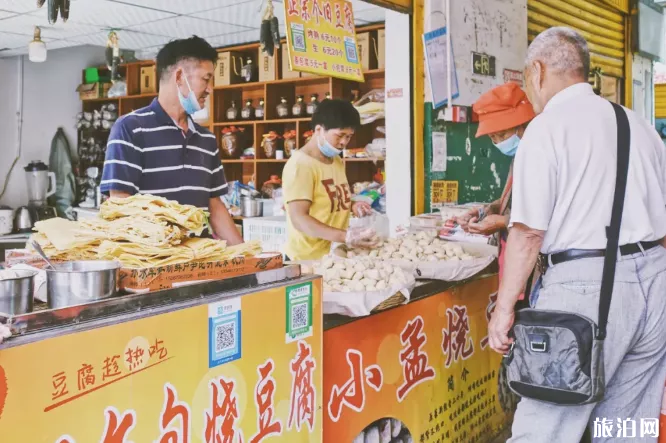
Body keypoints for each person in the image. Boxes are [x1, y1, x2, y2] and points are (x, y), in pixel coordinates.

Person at [487, 27, 666, 443]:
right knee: (626, 428)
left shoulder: (546, 129)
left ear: (538, 70)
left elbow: (528, 232)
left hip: (582, 289)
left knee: (544, 428)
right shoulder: (638, 125)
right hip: (655, 284)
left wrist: (504, 311)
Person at [101, 36, 242, 245]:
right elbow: (121, 201)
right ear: (179, 77)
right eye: (206, 78)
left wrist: (246, 255)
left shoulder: (207, 139)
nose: (210, 88)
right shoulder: (130, 128)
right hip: (152, 259)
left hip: (198, 259)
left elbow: (214, 204)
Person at [455, 83, 535, 305]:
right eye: (492, 138)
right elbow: (513, 198)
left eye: (500, 135)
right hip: (513, 254)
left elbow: (544, 218)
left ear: (521, 126)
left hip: (532, 262)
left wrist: (501, 222)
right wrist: (487, 209)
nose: (497, 143)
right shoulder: (520, 156)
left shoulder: (541, 157)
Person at [282, 99, 376, 261]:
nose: (343, 143)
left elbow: (329, 195)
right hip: (306, 260)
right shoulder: (300, 166)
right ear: (319, 129)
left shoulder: (335, 160)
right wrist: (345, 236)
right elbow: (299, 219)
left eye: (349, 137)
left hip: (333, 253)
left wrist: (352, 204)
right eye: (340, 135)